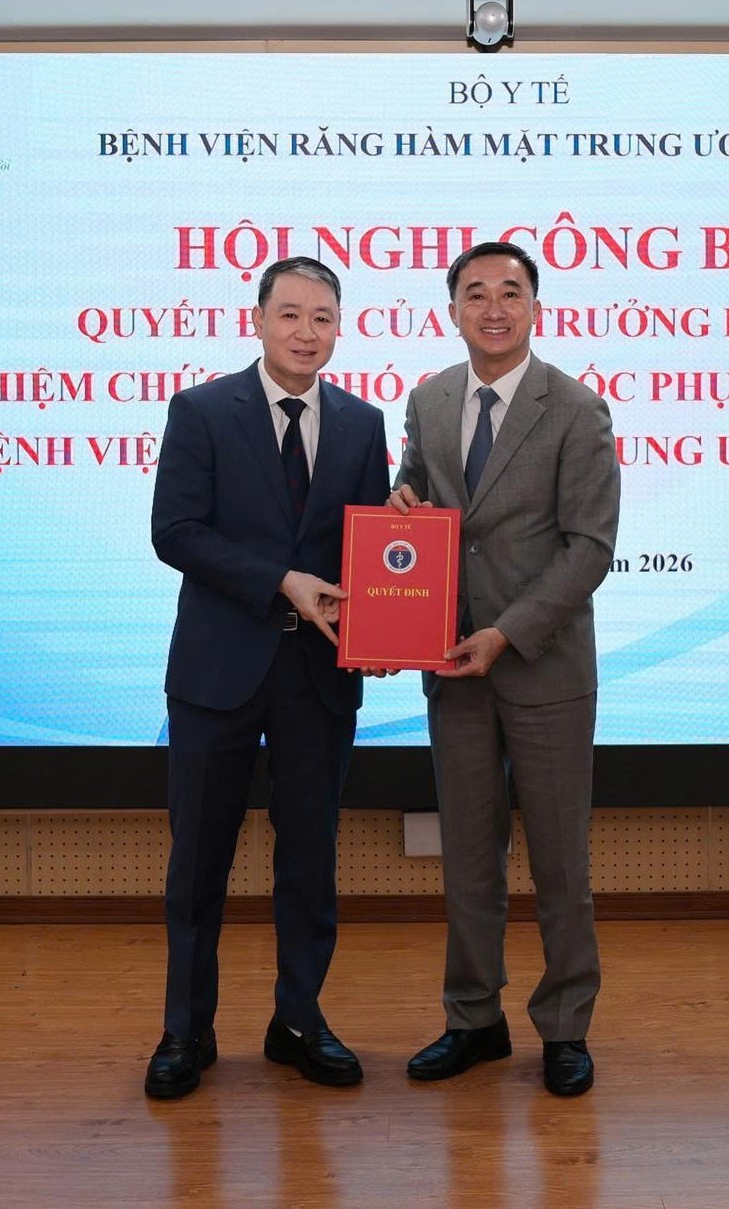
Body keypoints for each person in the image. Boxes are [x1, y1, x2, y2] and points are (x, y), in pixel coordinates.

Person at [146, 256, 390, 1099]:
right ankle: (186, 1029)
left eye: (322, 317)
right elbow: (175, 532)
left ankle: (298, 1020)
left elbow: (368, 550)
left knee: (309, 859)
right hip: (217, 668)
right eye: (289, 314)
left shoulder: (362, 424)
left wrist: (387, 615)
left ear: (339, 328)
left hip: (317, 676)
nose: (305, 332)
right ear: (257, 320)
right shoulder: (202, 410)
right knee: (198, 860)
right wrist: (278, 580)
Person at [389, 241, 619, 1097]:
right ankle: (472, 1018)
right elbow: (415, 498)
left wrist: (507, 633)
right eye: (475, 293)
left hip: (543, 666)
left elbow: (588, 547)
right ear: (452, 309)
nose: (493, 307)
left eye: (510, 292)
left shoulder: (576, 408)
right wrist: (400, 501)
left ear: (534, 307)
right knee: (467, 860)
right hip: (450, 664)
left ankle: (564, 1026)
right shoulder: (429, 399)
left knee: (559, 863)